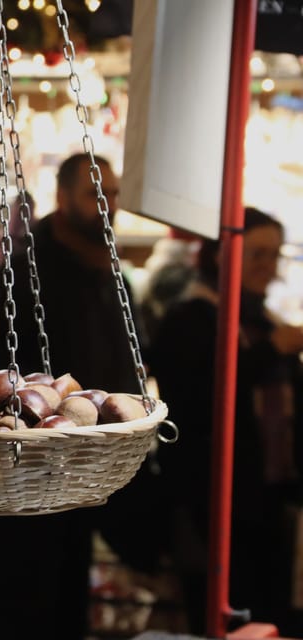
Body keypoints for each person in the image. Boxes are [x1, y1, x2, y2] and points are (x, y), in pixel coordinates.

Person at [0, 153, 149, 640]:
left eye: (115, 194)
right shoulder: (20, 274)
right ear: (62, 198)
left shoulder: (110, 275)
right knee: (23, 603)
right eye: (94, 193)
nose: (108, 205)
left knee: (66, 605)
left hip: (85, 472)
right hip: (26, 473)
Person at [150, 207, 303, 635]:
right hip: (211, 500)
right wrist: (269, 350)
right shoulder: (189, 319)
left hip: (269, 498)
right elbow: (199, 399)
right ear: (221, 255)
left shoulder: (263, 320)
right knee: (221, 614)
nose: (266, 267)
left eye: (273, 255)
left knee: (268, 614)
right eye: (256, 254)